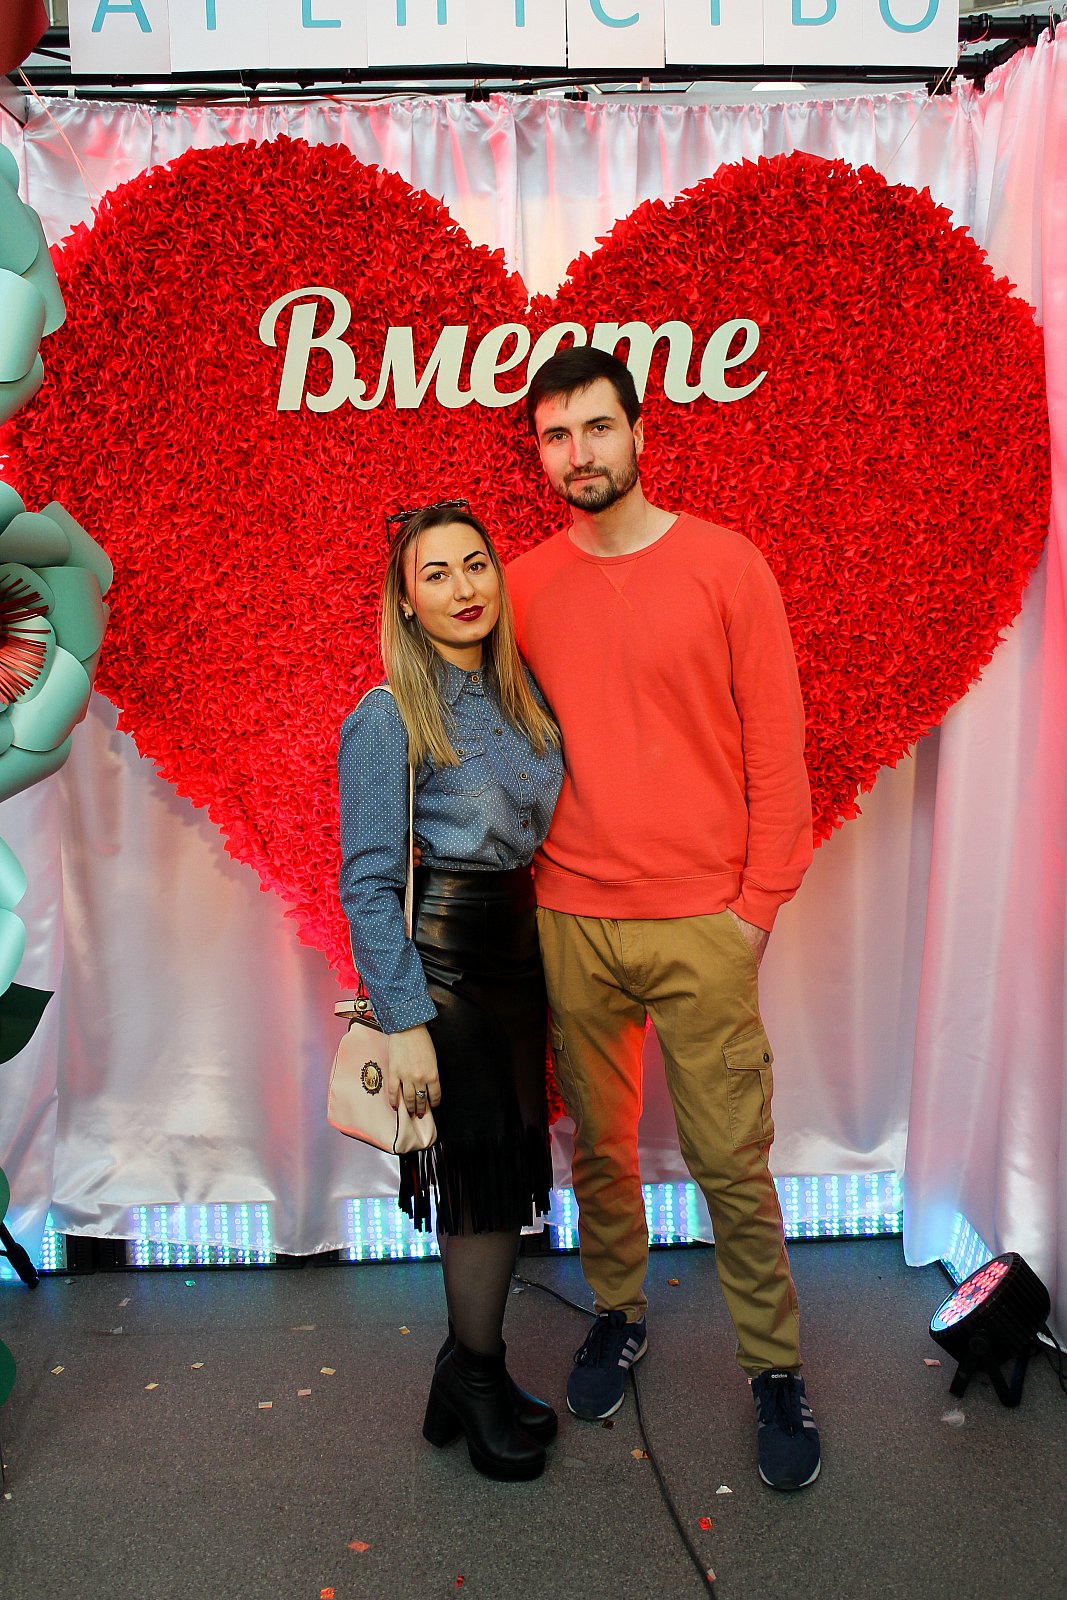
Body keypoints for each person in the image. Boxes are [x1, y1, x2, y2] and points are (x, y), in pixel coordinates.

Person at [506, 348, 821, 1492]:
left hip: (702, 921)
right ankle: (617, 1309)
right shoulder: (520, 586)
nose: (577, 452)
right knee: (598, 1141)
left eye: (595, 427)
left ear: (639, 431)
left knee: (729, 1156)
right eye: (555, 436)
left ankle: (773, 1366)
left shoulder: (726, 566)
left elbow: (776, 748)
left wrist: (753, 912)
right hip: (570, 916)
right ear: (540, 454)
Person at [337, 500, 563, 1483]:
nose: (464, 587)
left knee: (503, 1170)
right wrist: (406, 1021)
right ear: (405, 599)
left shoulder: (521, 694)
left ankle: (470, 1371)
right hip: (448, 967)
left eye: (476, 564)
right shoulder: (387, 713)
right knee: (476, 1186)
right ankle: (472, 1378)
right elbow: (367, 883)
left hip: (519, 952)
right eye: (436, 573)